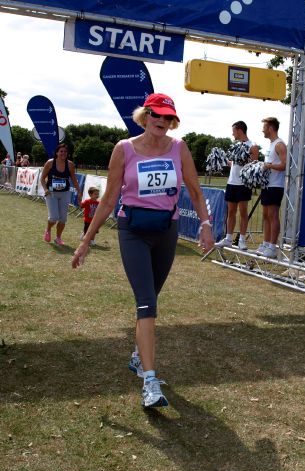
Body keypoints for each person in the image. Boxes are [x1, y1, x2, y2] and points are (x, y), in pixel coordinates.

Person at [72, 93, 214, 409]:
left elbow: (193, 189)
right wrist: (85, 242)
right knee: (146, 303)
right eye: (157, 116)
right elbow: (108, 200)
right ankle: (150, 381)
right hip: (133, 230)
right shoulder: (124, 149)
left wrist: (205, 223)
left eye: (168, 118)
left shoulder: (179, 148)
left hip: (166, 231)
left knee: (149, 298)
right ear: (145, 116)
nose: (162, 122)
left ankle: (138, 357)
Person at [217, 121, 259, 250]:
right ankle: (228, 238)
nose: (232, 133)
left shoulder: (252, 146)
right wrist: (223, 160)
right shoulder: (236, 145)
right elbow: (235, 164)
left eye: (233, 131)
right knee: (231, 212)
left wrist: (246, 160)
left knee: (243, 212)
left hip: (243, 184)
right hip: (231, 183)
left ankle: (241, 240)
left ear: (239, 130)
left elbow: (254, 165)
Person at [257, 117, 287, 259]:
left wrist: (269, 166)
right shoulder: (271, 144)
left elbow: (284, 165)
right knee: (265, 216)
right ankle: (265, 244)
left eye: (264, 127)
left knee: (273, 215)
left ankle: (272, 247)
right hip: (267, 185)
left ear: (270, 128)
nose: (262, 130)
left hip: (276, 185)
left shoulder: (280, 144)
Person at [40, 143, 82, 245]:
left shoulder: (70, 165)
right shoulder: (50, 163)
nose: (63, 153)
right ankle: (48, 229)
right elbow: (42, 178)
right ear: (57, 153)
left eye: (65, 151)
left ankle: (58, 238)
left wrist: (79, 192)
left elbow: (74, 179)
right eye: (61, 151)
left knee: (63, 219)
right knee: (54, 217)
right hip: (51, 193)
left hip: (65, 193)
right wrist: (45, 189)